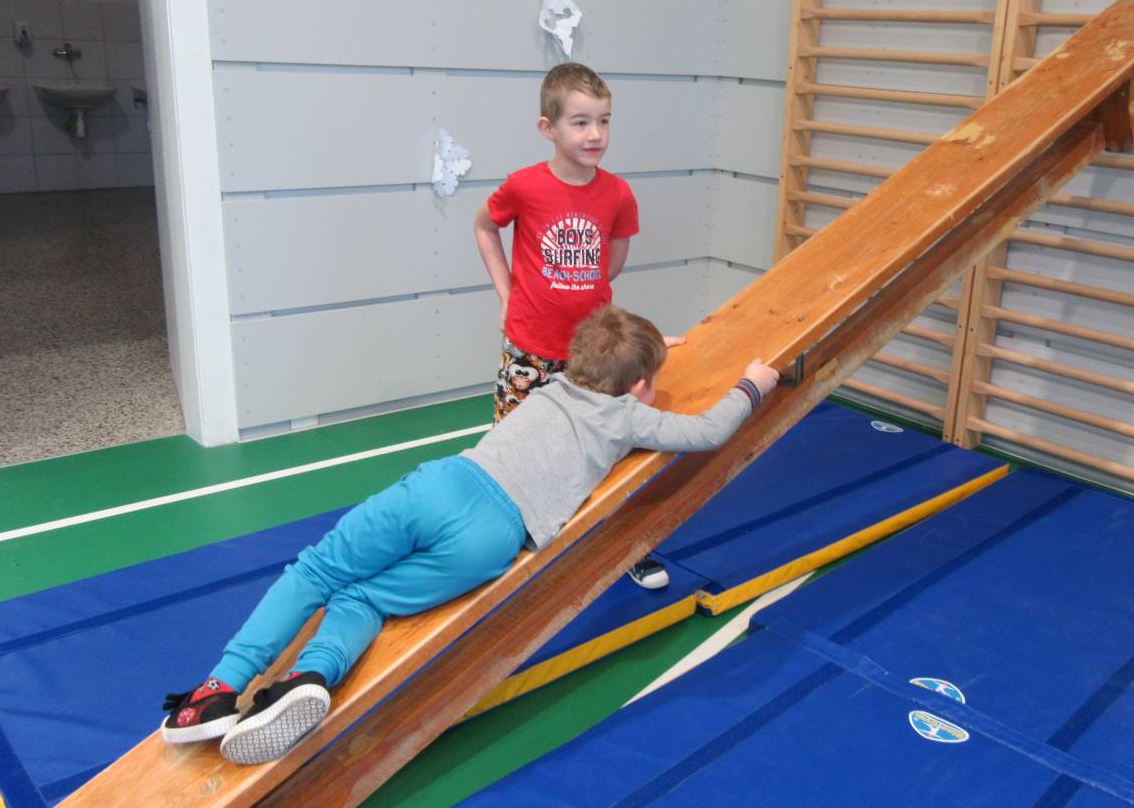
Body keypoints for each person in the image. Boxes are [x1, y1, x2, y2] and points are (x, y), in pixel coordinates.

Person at [160, 306, 780, 765]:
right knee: (368, 599)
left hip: (446, 486)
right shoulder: (627, 417)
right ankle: (309, 679)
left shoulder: (553, 382)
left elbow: (605, 364)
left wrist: (637, 356)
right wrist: (754, 384)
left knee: (318, 572)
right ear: (640, 386)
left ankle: (218, 692)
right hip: (494, 538)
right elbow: (706, 432)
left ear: (580, 363)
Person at [473, 61, 673, 591]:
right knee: (514, 447)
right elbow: (485, 226)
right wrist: (507, 293)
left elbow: (613, 259)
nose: (595, 135)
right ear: (549, 128)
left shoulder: (617, 193)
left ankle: (621, 546)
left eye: (604, 121)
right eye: (580, 123)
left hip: (594, 353)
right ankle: (503, 546)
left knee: (605, 449)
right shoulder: (524, 186)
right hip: (529, 347)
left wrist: (583, 295)